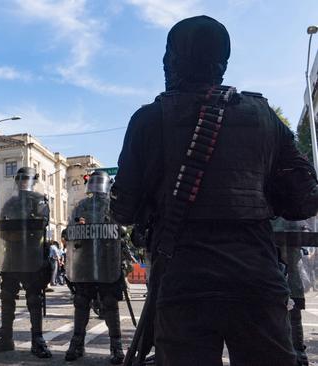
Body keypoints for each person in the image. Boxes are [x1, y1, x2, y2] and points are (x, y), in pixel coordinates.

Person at [110, 15, 318, 366]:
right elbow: (305, 198)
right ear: (222, 64)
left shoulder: (148, 119)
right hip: (256, 273)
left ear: (172, 60)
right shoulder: (263, 115)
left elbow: (124, 209)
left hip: (182, 276)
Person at [0, 167, 52, 358]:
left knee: (34, 298)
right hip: (12, 255)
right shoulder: (11, 201)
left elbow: (43, 222)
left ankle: (37, 339)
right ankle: (6, 338)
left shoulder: (39, 200)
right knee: (7, 297)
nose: (24, 181)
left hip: (32, 254)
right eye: (21, 178)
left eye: (27, 178)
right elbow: (1, 224)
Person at [65, 171, 125, 364]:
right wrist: (73, 229)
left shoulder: (113, 207)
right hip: (85, 262)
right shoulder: (81, 206)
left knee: (109, 303)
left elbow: (122, 230)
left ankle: (116, 346)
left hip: (107, 261)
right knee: (81, 302)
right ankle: (77, 343)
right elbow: (69, 230)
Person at [272, 218, 310, 365]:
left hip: (281, 281)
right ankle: (298, 355)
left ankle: (298, 354)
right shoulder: (291, 218)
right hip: (285, 281)